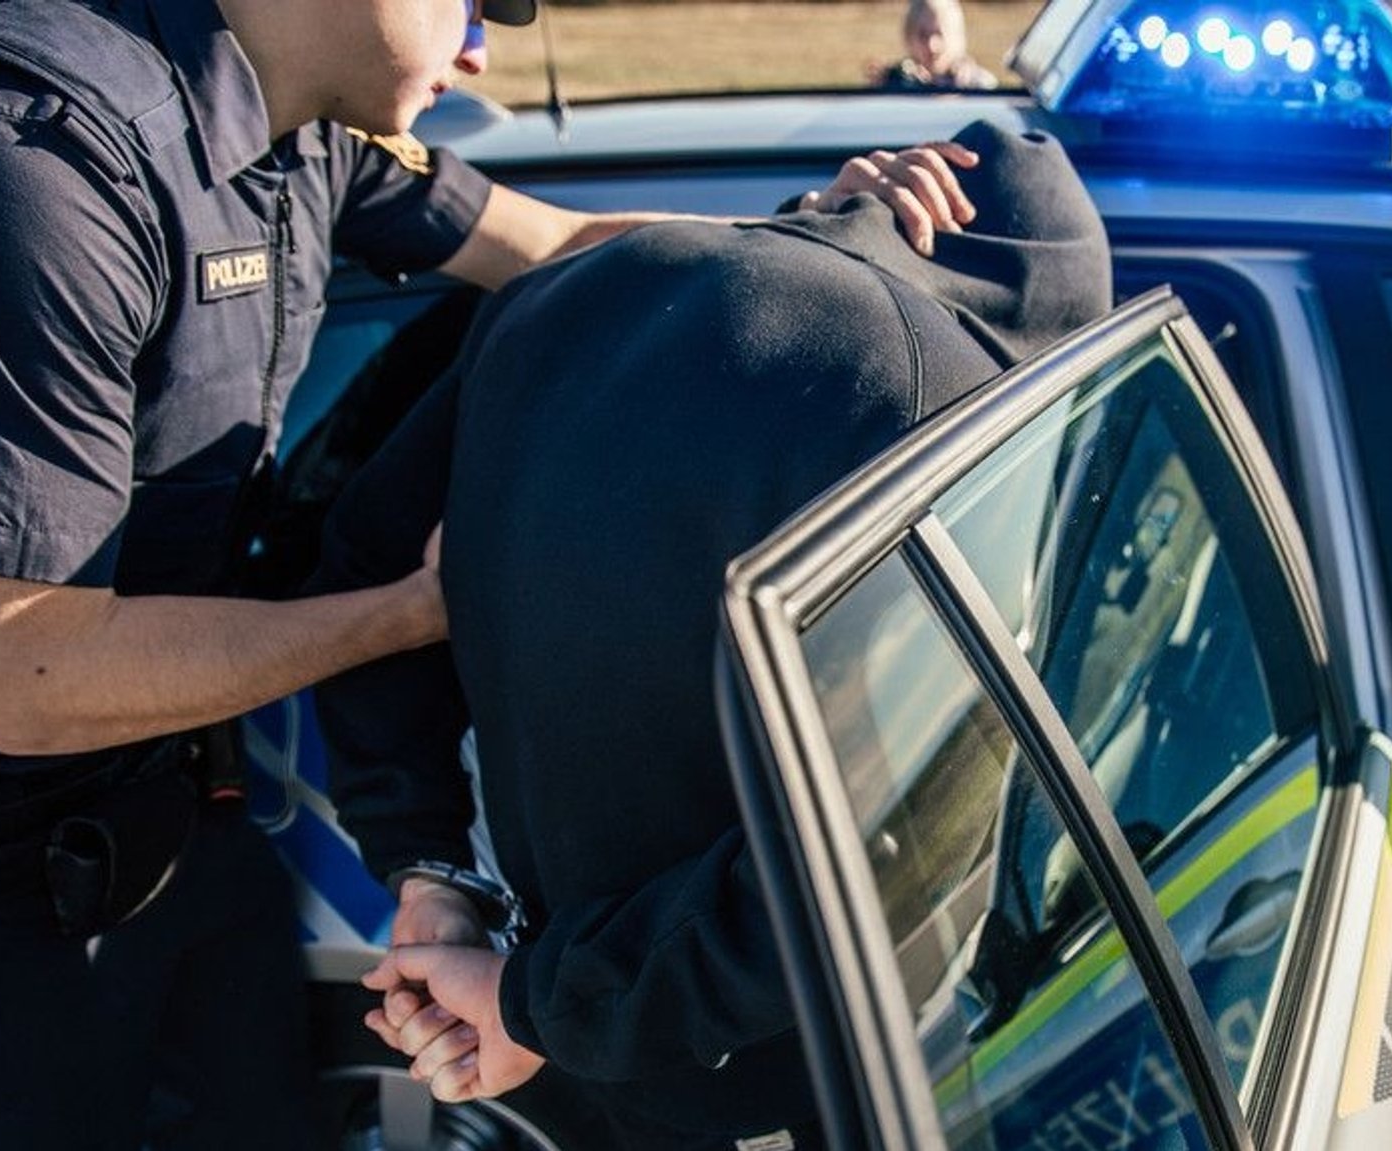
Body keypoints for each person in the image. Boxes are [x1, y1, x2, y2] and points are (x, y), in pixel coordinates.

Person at [0, 0, 977, 1147]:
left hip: (186, 830)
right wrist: (409, 610)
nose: (479, 50)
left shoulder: (305, 125)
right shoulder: (23, 148)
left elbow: (560, 248)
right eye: (471, 3)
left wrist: (812, 232)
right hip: (1, 903)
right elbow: (29, 669)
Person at [310, 118, 1111, 1149]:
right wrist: (535, 1004)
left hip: (568, 1021)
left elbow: (366, 580)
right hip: (769, 1080)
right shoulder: (938, 416)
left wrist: (426, 866)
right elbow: (875, 855)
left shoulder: (577, 291)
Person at [873, 0, 1000, 92]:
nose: (932, 46)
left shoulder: (979, 84)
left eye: (940, 33)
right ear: (908, 38)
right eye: (922, 35)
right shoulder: (895, 84)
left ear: (956, 36)